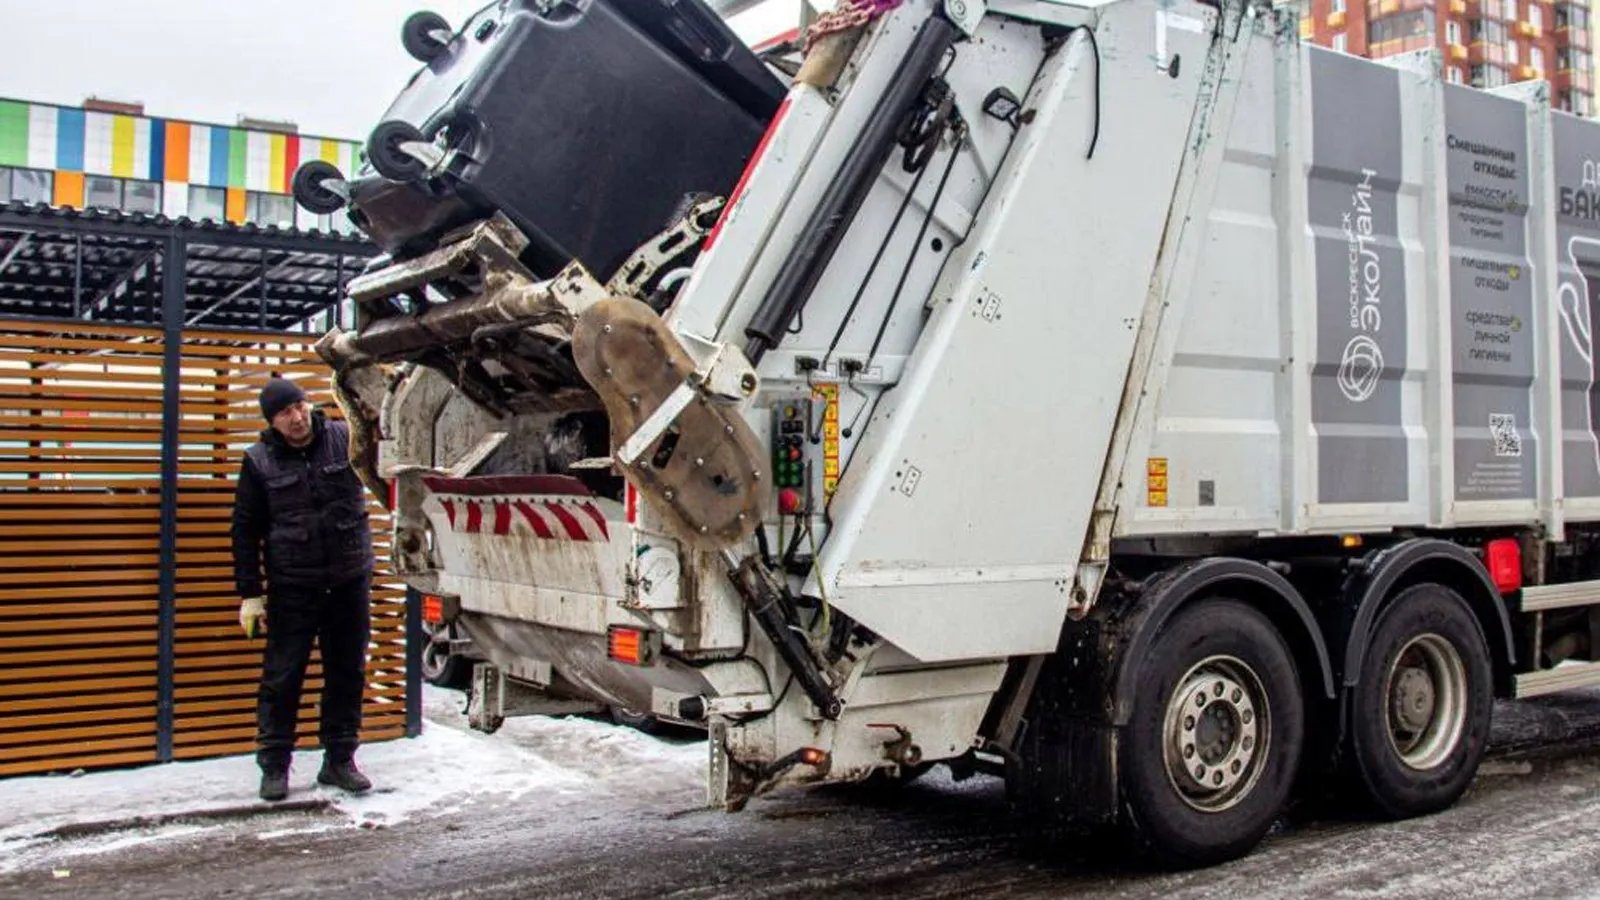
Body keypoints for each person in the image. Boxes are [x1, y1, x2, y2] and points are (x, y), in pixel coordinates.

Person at [231, 376, 376, 802]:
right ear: (272, 423)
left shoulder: (346, 437)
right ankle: (275, 765)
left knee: (347, 673)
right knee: (283, 677)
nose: (295, 419)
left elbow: (386, 472)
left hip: (349, 580)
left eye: (297, 407)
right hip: (294, 586)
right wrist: (250, 593)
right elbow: (244, 530)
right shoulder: (258, 462)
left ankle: (340, 759)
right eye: (283, 414)